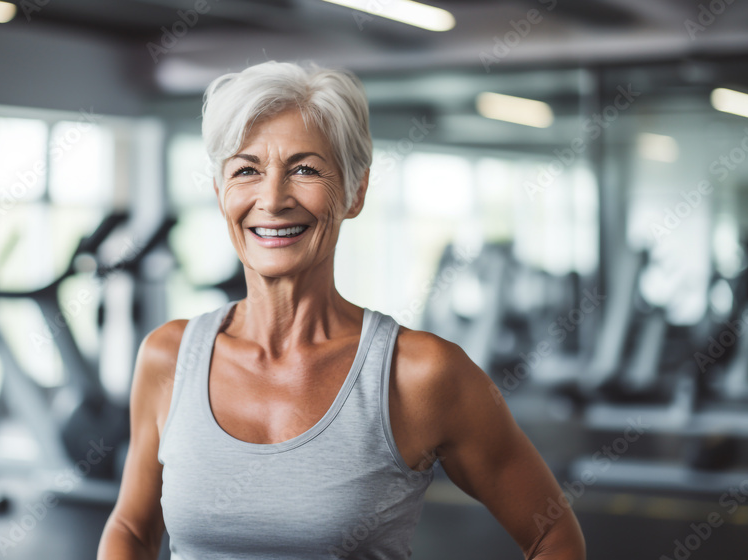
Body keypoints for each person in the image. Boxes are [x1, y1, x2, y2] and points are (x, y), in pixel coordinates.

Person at [98, 60, 586, 559]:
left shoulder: (420, 374)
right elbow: (132, 530)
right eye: (247, 170)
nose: (273, 199)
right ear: (220, 192)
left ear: (356, 191)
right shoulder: (168, 357)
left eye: (304, 170)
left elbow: (552, 535)